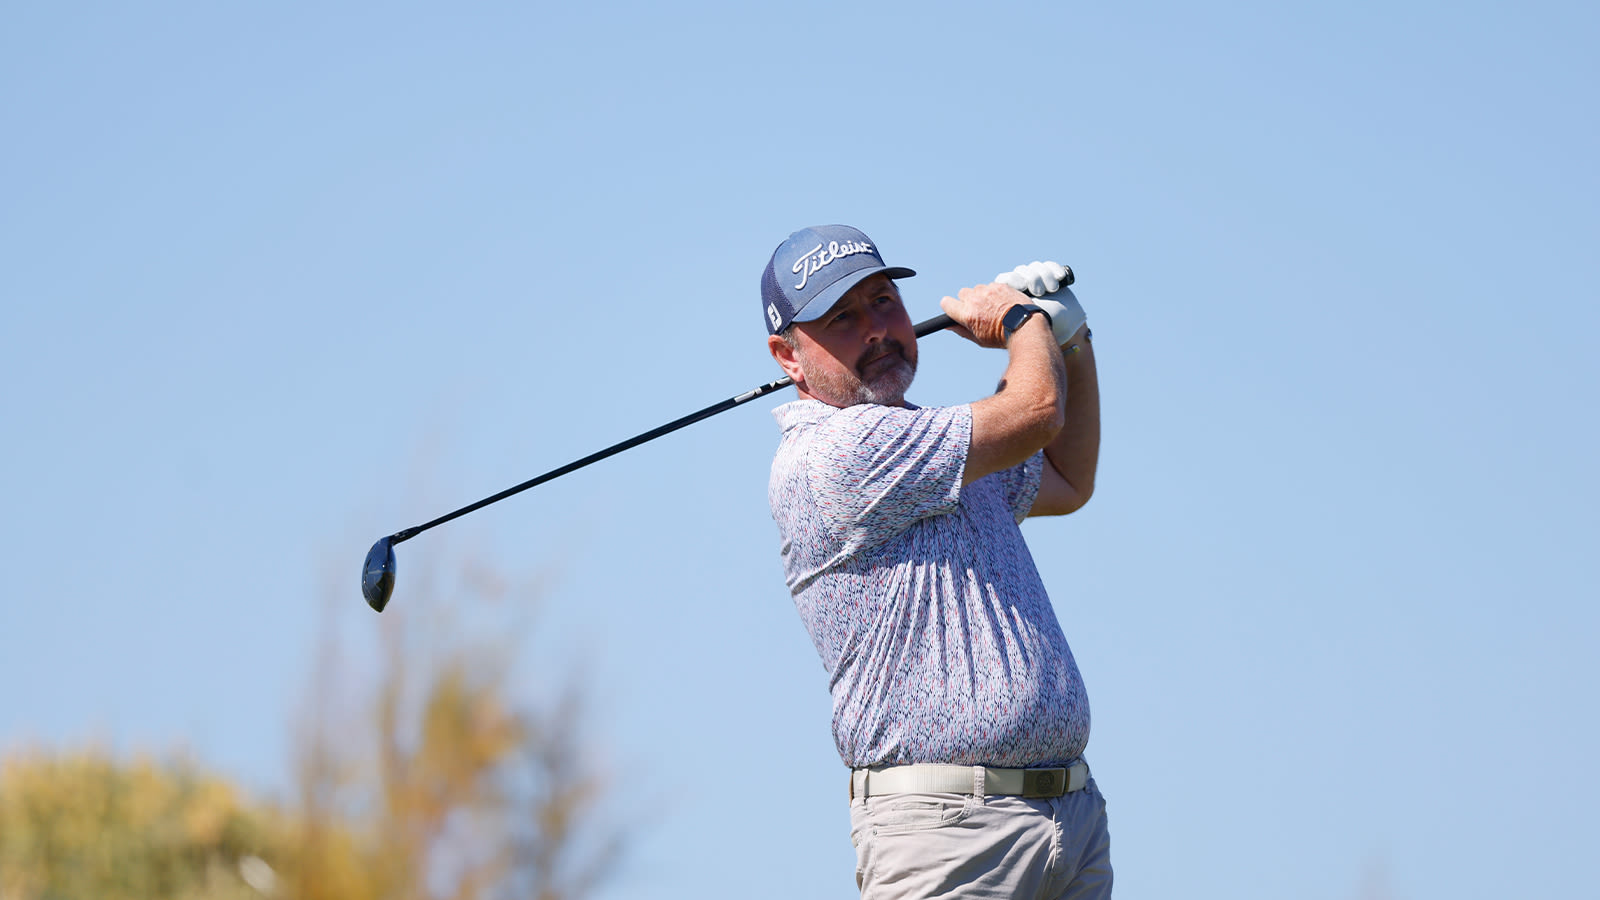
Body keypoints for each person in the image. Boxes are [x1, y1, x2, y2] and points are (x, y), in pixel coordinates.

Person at [762, 224, 1110, 899]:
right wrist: (1020, 322)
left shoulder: (930, 443)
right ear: (788, 356)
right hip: (949, 835)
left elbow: (1068, 477)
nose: (876, 329)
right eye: (843, 318)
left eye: (884, 301)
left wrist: (1071, 343)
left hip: (1067, 819)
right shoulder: (838, 454)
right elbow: (1036, 411)